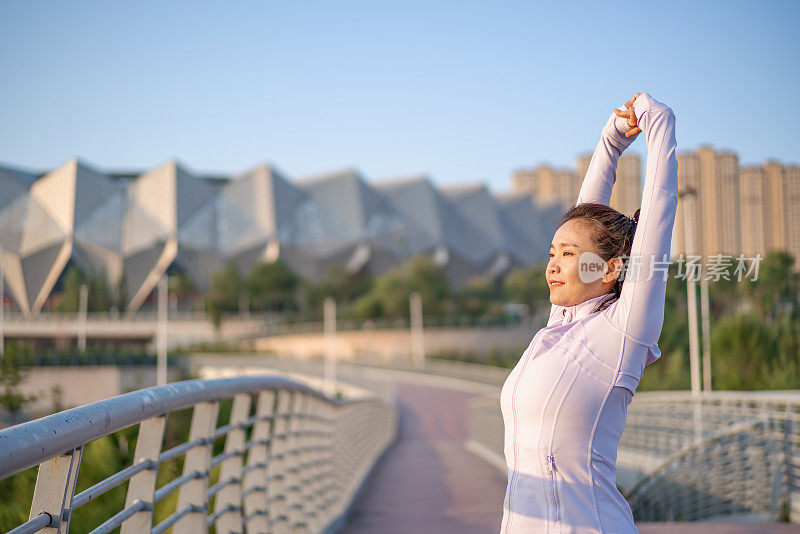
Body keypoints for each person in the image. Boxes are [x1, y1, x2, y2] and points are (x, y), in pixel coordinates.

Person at [499, 92, 678, 533]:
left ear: (609, 268)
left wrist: (660, 126)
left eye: (568, 254)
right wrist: (609, 143)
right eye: (551, 252)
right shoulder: (555, 330)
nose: (553, 264)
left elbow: (657, 215)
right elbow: (587, 218)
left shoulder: (621, 333)